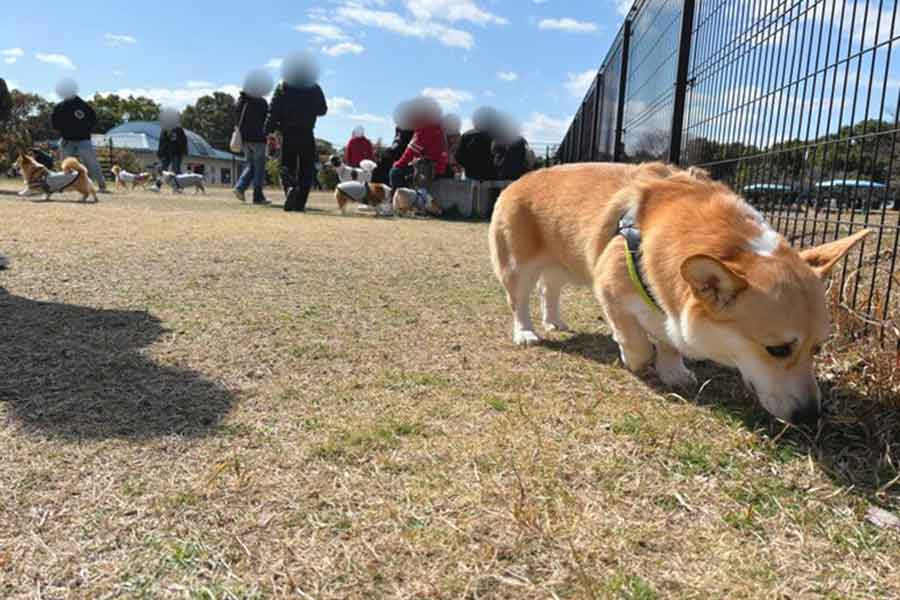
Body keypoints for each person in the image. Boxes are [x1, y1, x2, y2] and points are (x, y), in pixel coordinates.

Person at [265, 52, 328, 212]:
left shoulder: (283, 86)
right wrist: (309, 110)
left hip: (288, 132)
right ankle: (300, 204)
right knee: (306, 169)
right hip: (307, 132)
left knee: (286, 166)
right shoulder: (314, 87)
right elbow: (323, 109)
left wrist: (268, 129)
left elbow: (273, 110)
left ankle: (290, 189)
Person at [51, 78, 107, 192]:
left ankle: (101, 185)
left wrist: (83, 130)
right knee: (65, 166)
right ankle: (65, 186)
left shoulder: (84, 106)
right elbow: (54, 123)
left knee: (92, 163)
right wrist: (64, 131)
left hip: (83, 140)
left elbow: (93, 120)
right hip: (67, 140)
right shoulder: (59, 107)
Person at [390, 98, 448, 190]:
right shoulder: (438, 128)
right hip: (439, 168)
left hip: (428, 170)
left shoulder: (424, 129)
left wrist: (397, 164)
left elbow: (410, 153)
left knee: (395, 172)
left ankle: (402, 201)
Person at [233, 70, 272, 205]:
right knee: (259, 168)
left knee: (251, 165)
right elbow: (266, 120)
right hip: (258, 138)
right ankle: (258, 196)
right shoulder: (261, 102)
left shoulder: (241, 101)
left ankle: (240, 187)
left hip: (244, 139)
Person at [372, 102, 414, 185]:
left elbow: (405, 144)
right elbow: (397, 142)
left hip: (400, 158)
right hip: (393, 157)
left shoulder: (410, 127)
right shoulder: (399, 127)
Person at [456, 106, 499, 181]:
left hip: (472, 176)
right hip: (494, 178)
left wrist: (469, 165)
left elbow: (459, 157)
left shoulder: (467, 135)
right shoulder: (499, 135)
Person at [156, 109, 188, 191]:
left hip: (176, 153)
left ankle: (178, 187)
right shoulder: (163, 131)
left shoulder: (179, 130)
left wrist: (183, 151)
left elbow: (183, 141)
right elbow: (161, 143)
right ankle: (157, 186)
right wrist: (160, 153)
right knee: (162, 169)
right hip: (166, 154)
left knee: (176, 170)